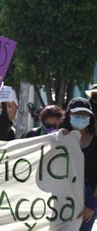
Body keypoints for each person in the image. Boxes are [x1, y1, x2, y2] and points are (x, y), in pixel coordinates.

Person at [59, 97, 97, 231]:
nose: (81, 117)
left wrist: (92, 205)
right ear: (69, 114)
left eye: (85, 114)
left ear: (90, 117)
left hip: (88, 195)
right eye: (77, 114)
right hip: (62, 195)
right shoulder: (60, 138)